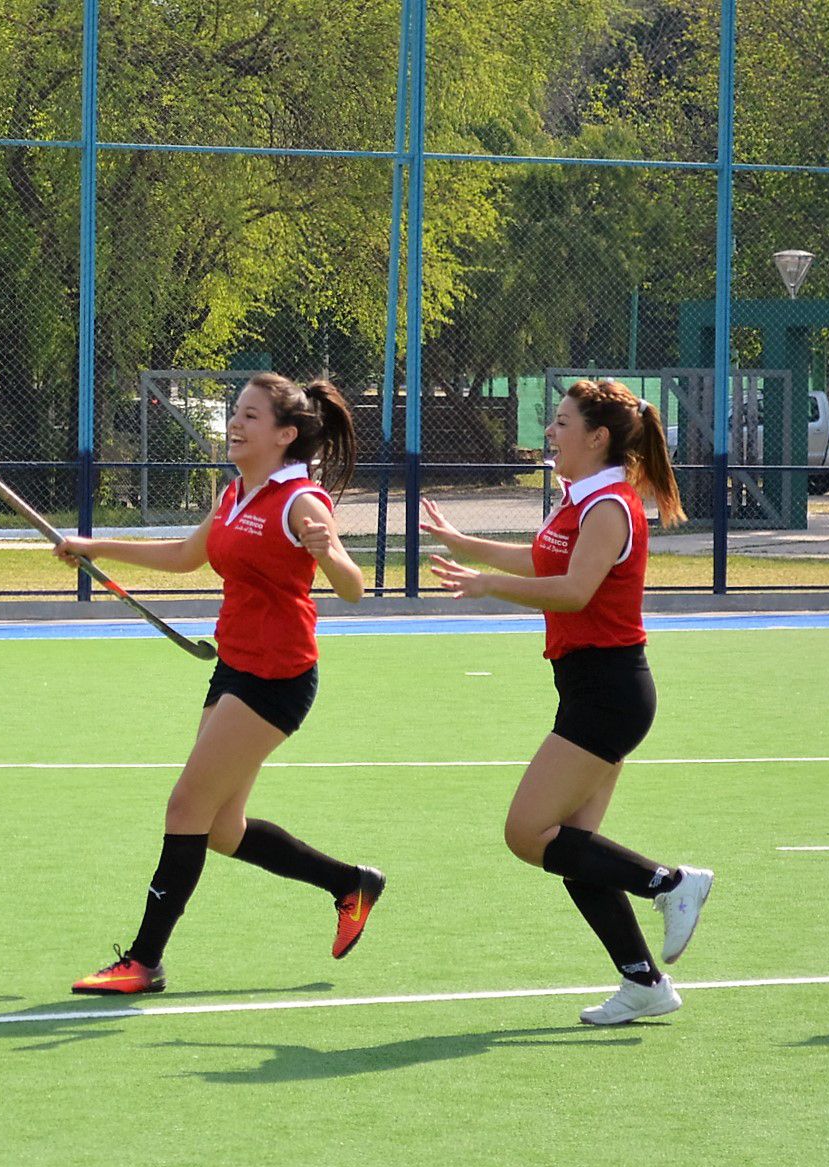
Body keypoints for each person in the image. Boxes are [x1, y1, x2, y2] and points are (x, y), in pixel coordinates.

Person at [56, 372, 383, 995]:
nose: (235, 423)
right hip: (234, 666)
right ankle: (350, 883)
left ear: (285, 435)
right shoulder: (235, 494)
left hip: (277, 677)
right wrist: (90, 547)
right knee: (222, 829)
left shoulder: (301, 502)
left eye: (251, 417)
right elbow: (185, 556)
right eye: (236, 412)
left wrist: (330, 553)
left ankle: (144, 961)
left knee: (186, 808)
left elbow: (353, 588)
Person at [421, 378, 712, 1026]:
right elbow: (543, 558)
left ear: (596, 436)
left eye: (560, 422)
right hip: (587, 687)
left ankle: (670, 882)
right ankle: (643, 981)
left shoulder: (609, 506)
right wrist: (466, 546)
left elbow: (576, 590)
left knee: (526, 833)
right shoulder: (580, 501)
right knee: (573, 846)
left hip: (609, 693)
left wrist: (485, 584)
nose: (549, 433)